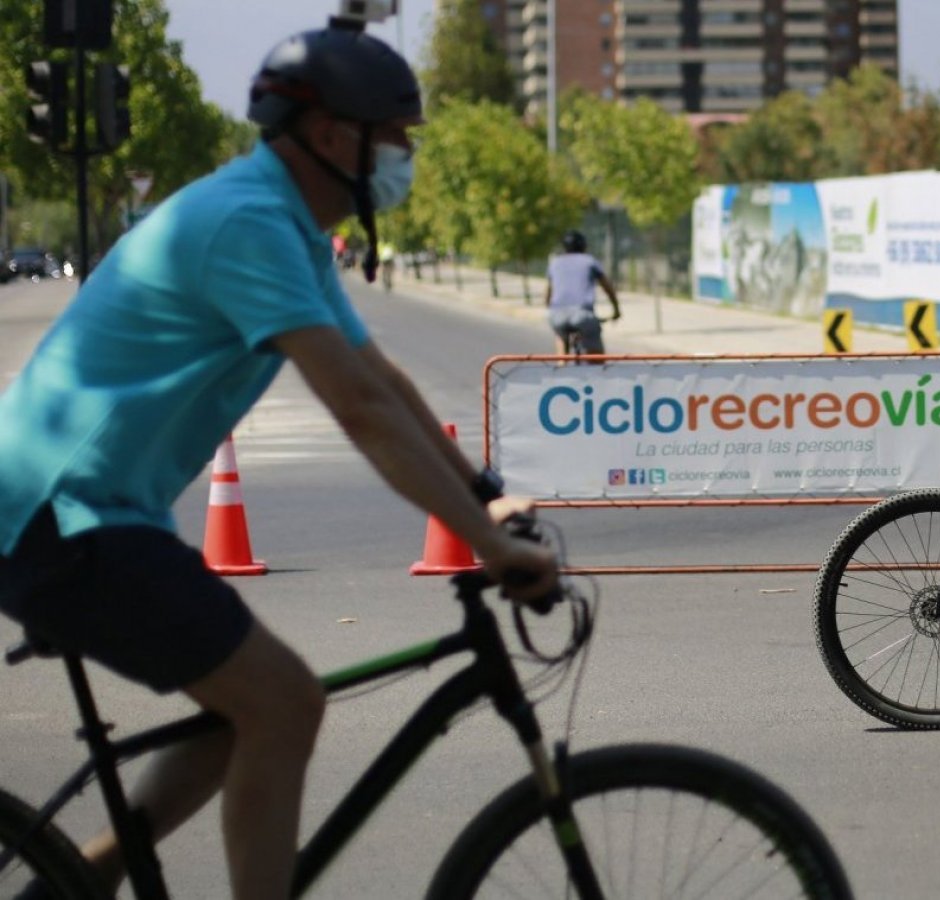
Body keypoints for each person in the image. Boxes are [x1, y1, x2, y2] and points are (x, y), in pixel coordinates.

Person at [0, 20, 558, 900]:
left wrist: (482, 496)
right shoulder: (249, 224)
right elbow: (361, 408)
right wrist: (488, 549)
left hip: (92, 513)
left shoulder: (284, 225)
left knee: (244, 714)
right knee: (284, 701)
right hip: (59, 516)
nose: (407, 154)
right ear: (334, 136)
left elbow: (375, 370)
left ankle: (75, 882)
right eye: (398, 135)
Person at [545, 229, 621, 358]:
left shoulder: (555, 263)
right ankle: (598, 371)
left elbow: (548, 292)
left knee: (560, 335)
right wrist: (616, 310)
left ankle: (561, 366)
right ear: (584, 246)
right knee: (596, 357)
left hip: (557, 315)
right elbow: (608, 288)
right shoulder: (589, 261)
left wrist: (549, 308)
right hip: (583, 315)